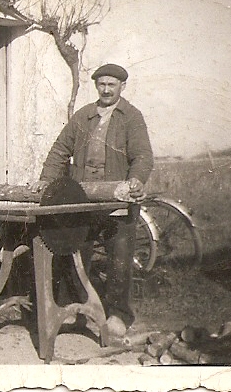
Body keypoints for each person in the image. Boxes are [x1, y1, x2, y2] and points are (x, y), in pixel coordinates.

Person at [31, 63, 153, 338]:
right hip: (83, 201)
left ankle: (118, 316)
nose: (107, 89)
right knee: (75, 255)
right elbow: (60, 150)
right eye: (102, 84)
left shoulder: (131, 117)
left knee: (119, 261)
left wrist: (135, 181)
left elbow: (143, 156)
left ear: (122, 86)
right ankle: (77, 311)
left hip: (117, 202)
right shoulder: (83, 116)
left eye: (112, 84)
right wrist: (46, 179)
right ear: (96, 86)